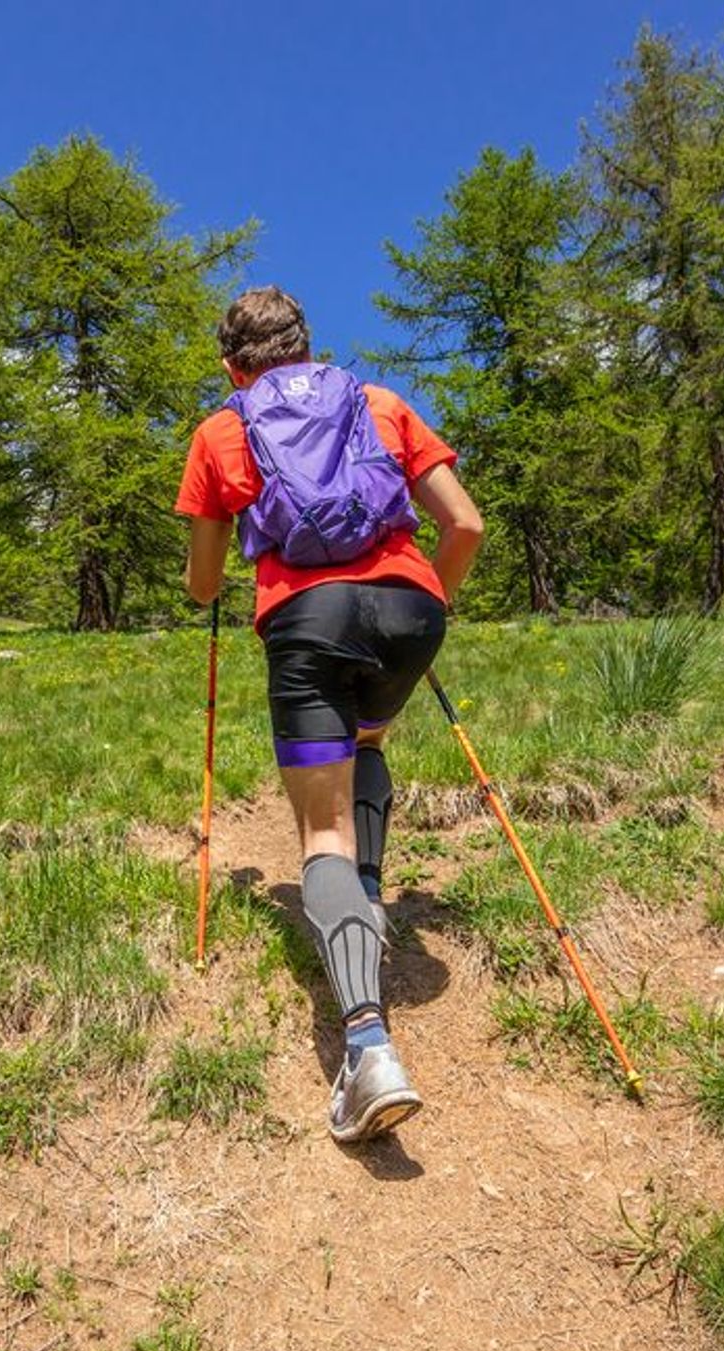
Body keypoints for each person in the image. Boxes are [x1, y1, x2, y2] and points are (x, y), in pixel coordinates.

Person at [175, 285, 483, 1144]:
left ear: (233, 366)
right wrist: (434, 606)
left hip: (308, 622)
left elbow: (203, 583)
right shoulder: (380, 404)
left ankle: (367, 1046)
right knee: (371, 733)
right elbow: (465, 524)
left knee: (321, 835)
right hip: (409, 614)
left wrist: (220, 572)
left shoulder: (222, 431)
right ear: (312, 349)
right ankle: (368, 908)